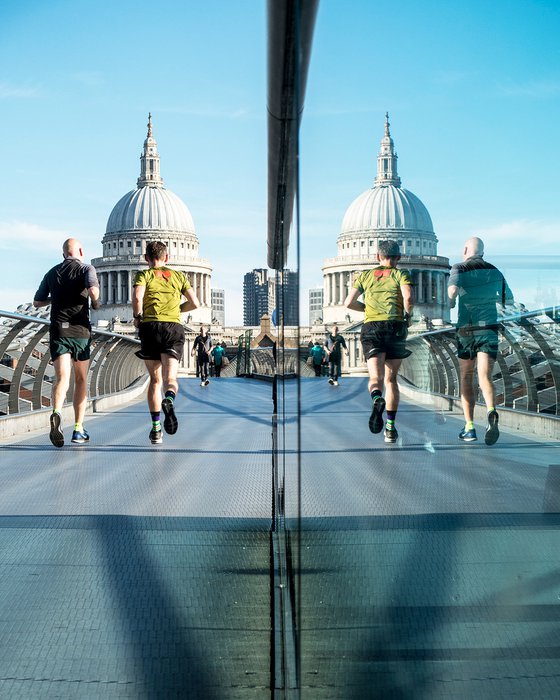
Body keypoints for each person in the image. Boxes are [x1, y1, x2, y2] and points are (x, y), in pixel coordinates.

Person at [344, 239, 413, 443]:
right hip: (395, 327)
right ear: (398, 257)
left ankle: (376, 398)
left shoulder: (365, 276)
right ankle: (390, 429)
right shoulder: (401, 273)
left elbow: (348, 302)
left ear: (378, 257)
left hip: (371, 328)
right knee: (391, 380)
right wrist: (407, 317)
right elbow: (408, 298)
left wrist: (367, 309)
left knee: (375, 377)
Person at [33, 238, 100, 447]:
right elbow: (93, 292)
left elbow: (37, 302)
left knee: (62, 377)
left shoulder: (52, 272)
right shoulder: (87, 269)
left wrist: (55, 298)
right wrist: (95, 304)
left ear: (63, 254)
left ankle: (57, 412)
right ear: (80, 250)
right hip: (80, 331)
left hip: (59, 330)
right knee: (80, 380)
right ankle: (78, 429)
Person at [132, 240, 199, 445]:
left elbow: (137, 297)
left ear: (146, 258)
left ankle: (156, 429)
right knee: (170, 379)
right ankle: (169, 399)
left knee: (154, 381)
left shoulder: (144, 274)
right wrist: (178, 309)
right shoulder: (178, 276)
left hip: (151, 328)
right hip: (173, 328)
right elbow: (195, 303)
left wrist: (138, 316)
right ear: (167, 257)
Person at [448, 236, 513, 445]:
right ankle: (492, 411)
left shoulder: (459, 268)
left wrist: (450, 303)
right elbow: (508, 299)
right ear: (482, 253)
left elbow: (452, 293)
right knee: (485, 376)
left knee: (466, 378)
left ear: (466, 249)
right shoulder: (494, 270)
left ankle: (469, 427)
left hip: (466, 328)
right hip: (488, 327)